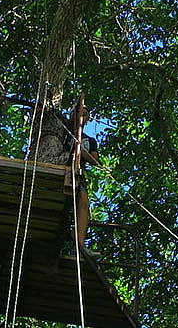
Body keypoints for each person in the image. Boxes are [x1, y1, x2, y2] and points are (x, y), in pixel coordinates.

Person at [67, 105, 100, 259]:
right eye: (77, 112)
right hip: (60, 167)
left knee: (84, 204)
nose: (81, 115)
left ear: (87, 119)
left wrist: (80, 148)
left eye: (84, 113)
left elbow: (95, 160)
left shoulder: (89, 140)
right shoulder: (62, 130)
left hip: (77, 174)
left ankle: (79, 245)